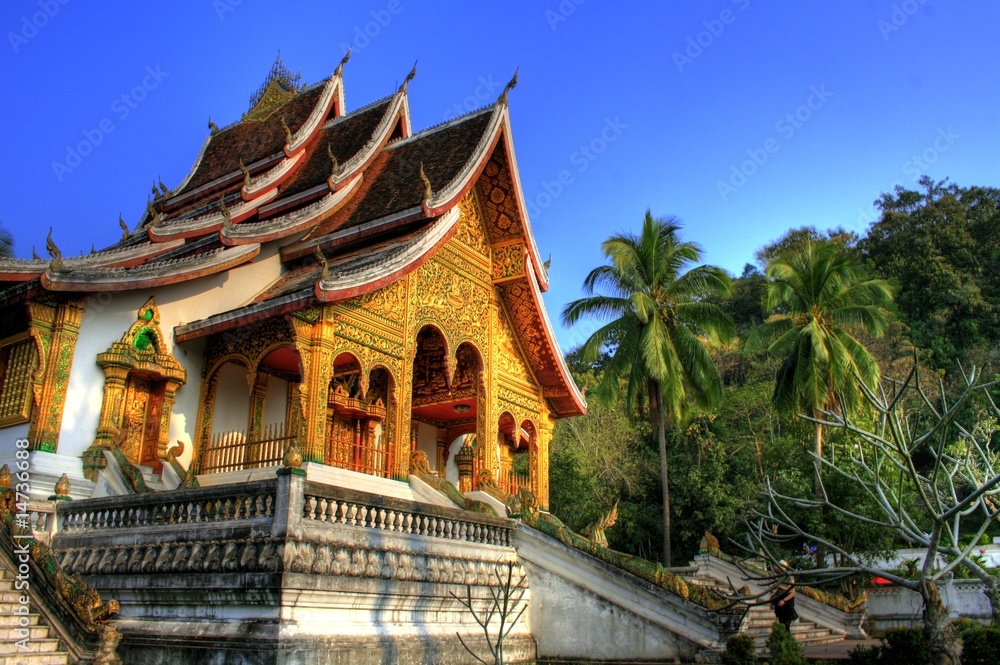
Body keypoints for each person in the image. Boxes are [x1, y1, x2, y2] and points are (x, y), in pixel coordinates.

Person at [770, 560, 797, 632]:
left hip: (787, 603)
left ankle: (786, 637)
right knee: (781, 622)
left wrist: (784, 600)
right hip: (780, 601)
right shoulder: (779, 577)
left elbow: (792, 591)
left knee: (786, 624)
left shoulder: (790, 577)